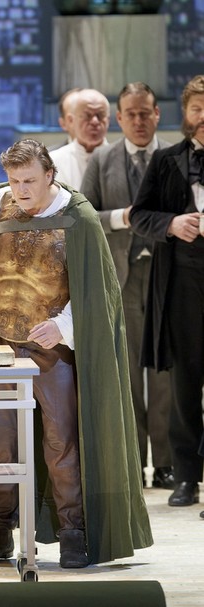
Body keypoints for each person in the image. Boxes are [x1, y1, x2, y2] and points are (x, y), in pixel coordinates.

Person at [0, 139, 152, 568]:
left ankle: (72, 532)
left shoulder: (78, 215)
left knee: (61, 440)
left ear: (50, 175)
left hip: (52, 348)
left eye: (29, 180)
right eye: (14, 181)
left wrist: (63, 326)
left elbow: (96, 288)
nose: (21, 190)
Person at [81, 82, 174, 490]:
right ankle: (133, 462)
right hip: (121, 278)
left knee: (165, 373)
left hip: (167, 278)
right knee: (128, 374)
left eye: (145, 113)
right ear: (119, 118)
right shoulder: (102, 160)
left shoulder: (175, 158)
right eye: (130, 114)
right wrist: (121, 217)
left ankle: (167, 463)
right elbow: (83, 216)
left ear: (157, 114)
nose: (138, 121)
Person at [129, 75, 204, 507]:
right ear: (185, 114)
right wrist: (171, 224)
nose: (203, 116)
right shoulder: (165, 160)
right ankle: (187, 477)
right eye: (197, 109)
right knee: (184, 383)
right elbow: (140, 215)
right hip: (181, 284)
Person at [50, 88, 110, 189]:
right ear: (71, 120)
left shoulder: (123, 159)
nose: (95, 121)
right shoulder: (53, 161)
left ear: (108, 119)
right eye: (87, 115)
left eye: (100, 115)